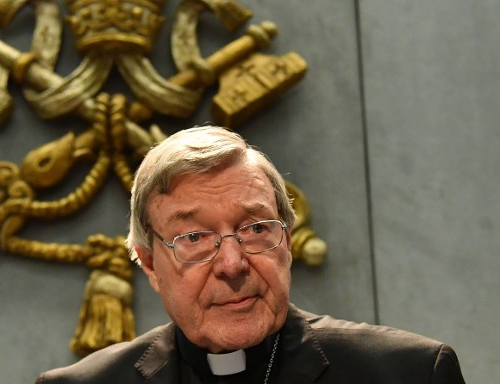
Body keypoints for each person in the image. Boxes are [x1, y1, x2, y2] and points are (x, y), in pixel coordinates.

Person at [36, 125, 465, 383]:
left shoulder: (410, 375)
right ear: (149, 262)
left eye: (256, 229)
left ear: (289, 241)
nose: (232, 265)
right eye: (194, 239)